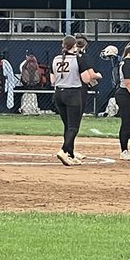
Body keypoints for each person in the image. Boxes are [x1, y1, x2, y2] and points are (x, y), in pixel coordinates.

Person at [51, 34, 100, 166]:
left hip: (58, 93)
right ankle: (63, 150)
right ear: (74, 45)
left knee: (67, 126)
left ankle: (70, 154)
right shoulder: (78, 59)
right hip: (73, 93)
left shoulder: (56, 59)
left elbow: (52, 80)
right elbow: (86, 79)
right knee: (74, 127)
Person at [116, 43, 130, 161]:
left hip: (126, 94)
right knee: (127, 122)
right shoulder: (127, 63)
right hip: (125, 94)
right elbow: (128, 83)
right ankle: (124, 150)